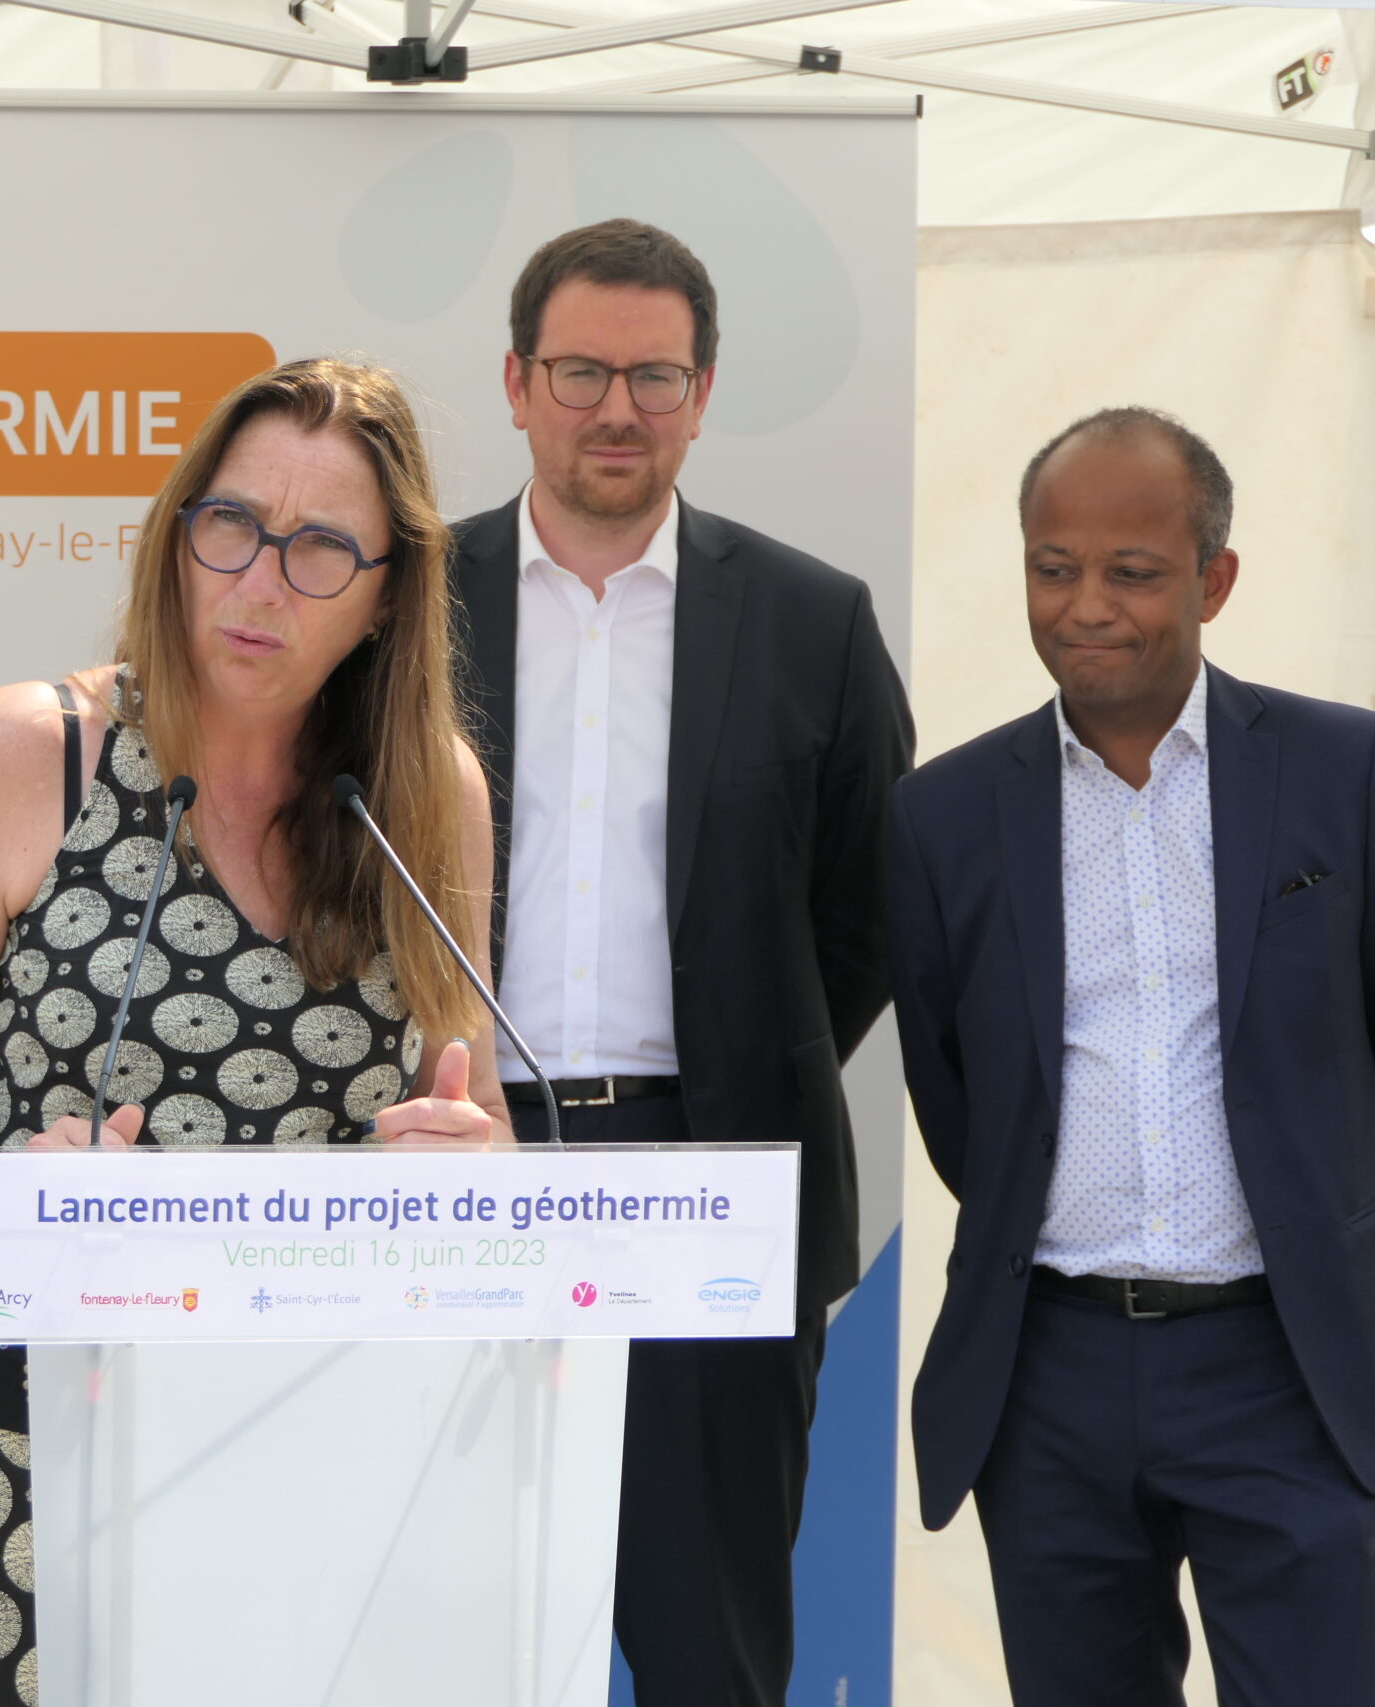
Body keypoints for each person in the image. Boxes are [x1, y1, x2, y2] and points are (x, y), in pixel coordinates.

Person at [0, 357, 509, 1704]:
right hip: (45, 1437)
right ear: (178, 535)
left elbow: (470, 1110)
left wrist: (472, 1162)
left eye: (321, 549)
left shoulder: (430, 795)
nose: (260, 582)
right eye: (232, 525)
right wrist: (10, 1204)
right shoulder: (35, 752)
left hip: (331, 1441)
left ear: (387, 596)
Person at [446, 219, 912, 1705]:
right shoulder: (403, 604)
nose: (618, 409)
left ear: (703, 395)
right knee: (446, 1636)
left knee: (711, 1647)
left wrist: (742, 1051)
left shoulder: (811, 619)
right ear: (516, 384)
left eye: (656, 376)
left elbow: (871, 905)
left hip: (716, 1187)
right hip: (455, 1169)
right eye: (580, 371)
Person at [890, 407, 1375, 1704]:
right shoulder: (943, 815)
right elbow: (958, 1097)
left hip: (1294, 1364)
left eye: (1133, 571)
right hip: (1051, 1373)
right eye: (1054, 568)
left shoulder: (1347, 773)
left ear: (1214, 580)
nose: (1087, 605)